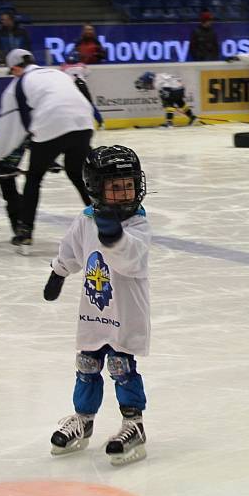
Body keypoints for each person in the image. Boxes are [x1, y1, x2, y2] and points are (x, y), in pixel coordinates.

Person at [44, 145, 151, 466]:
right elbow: (71, 250)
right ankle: (83, 419)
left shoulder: (137, 225)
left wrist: (114, 234)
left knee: (121, 367)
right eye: (115, 188)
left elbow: (132, 260)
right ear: (95, 187)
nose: (124, 194)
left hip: (125, 311)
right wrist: (58, 273)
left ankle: (134, 424)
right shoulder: (87, 219)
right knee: (87, 365)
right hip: (94, 310)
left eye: (129, 185)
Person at [0, 49, 94, 253]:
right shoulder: (57, 73)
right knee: (78, 174)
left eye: (13, 71)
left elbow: (9, 127)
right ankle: (104, 222)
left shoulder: (18, 85)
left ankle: (25, 233)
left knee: (34, 177)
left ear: (16, 68)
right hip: (83, 123)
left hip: (50, 126)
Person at [61, 61, 104, 129]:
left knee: (71, 105)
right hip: (82, 85)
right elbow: (88, 73)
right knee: (90, 104)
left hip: (72, 87)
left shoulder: (64, 66)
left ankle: (72, 124)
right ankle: (100, 122)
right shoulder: (81, 65)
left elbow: (62, 76)